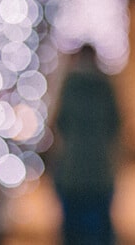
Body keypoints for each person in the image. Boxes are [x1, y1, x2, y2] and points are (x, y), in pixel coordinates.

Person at [51, 45, 121, 245]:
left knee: (73, 230)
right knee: (99, 230)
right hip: (100, 171)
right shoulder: (105, 86)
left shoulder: (69, 85)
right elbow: (115, 124)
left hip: (72, 170)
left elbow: (59, 122)